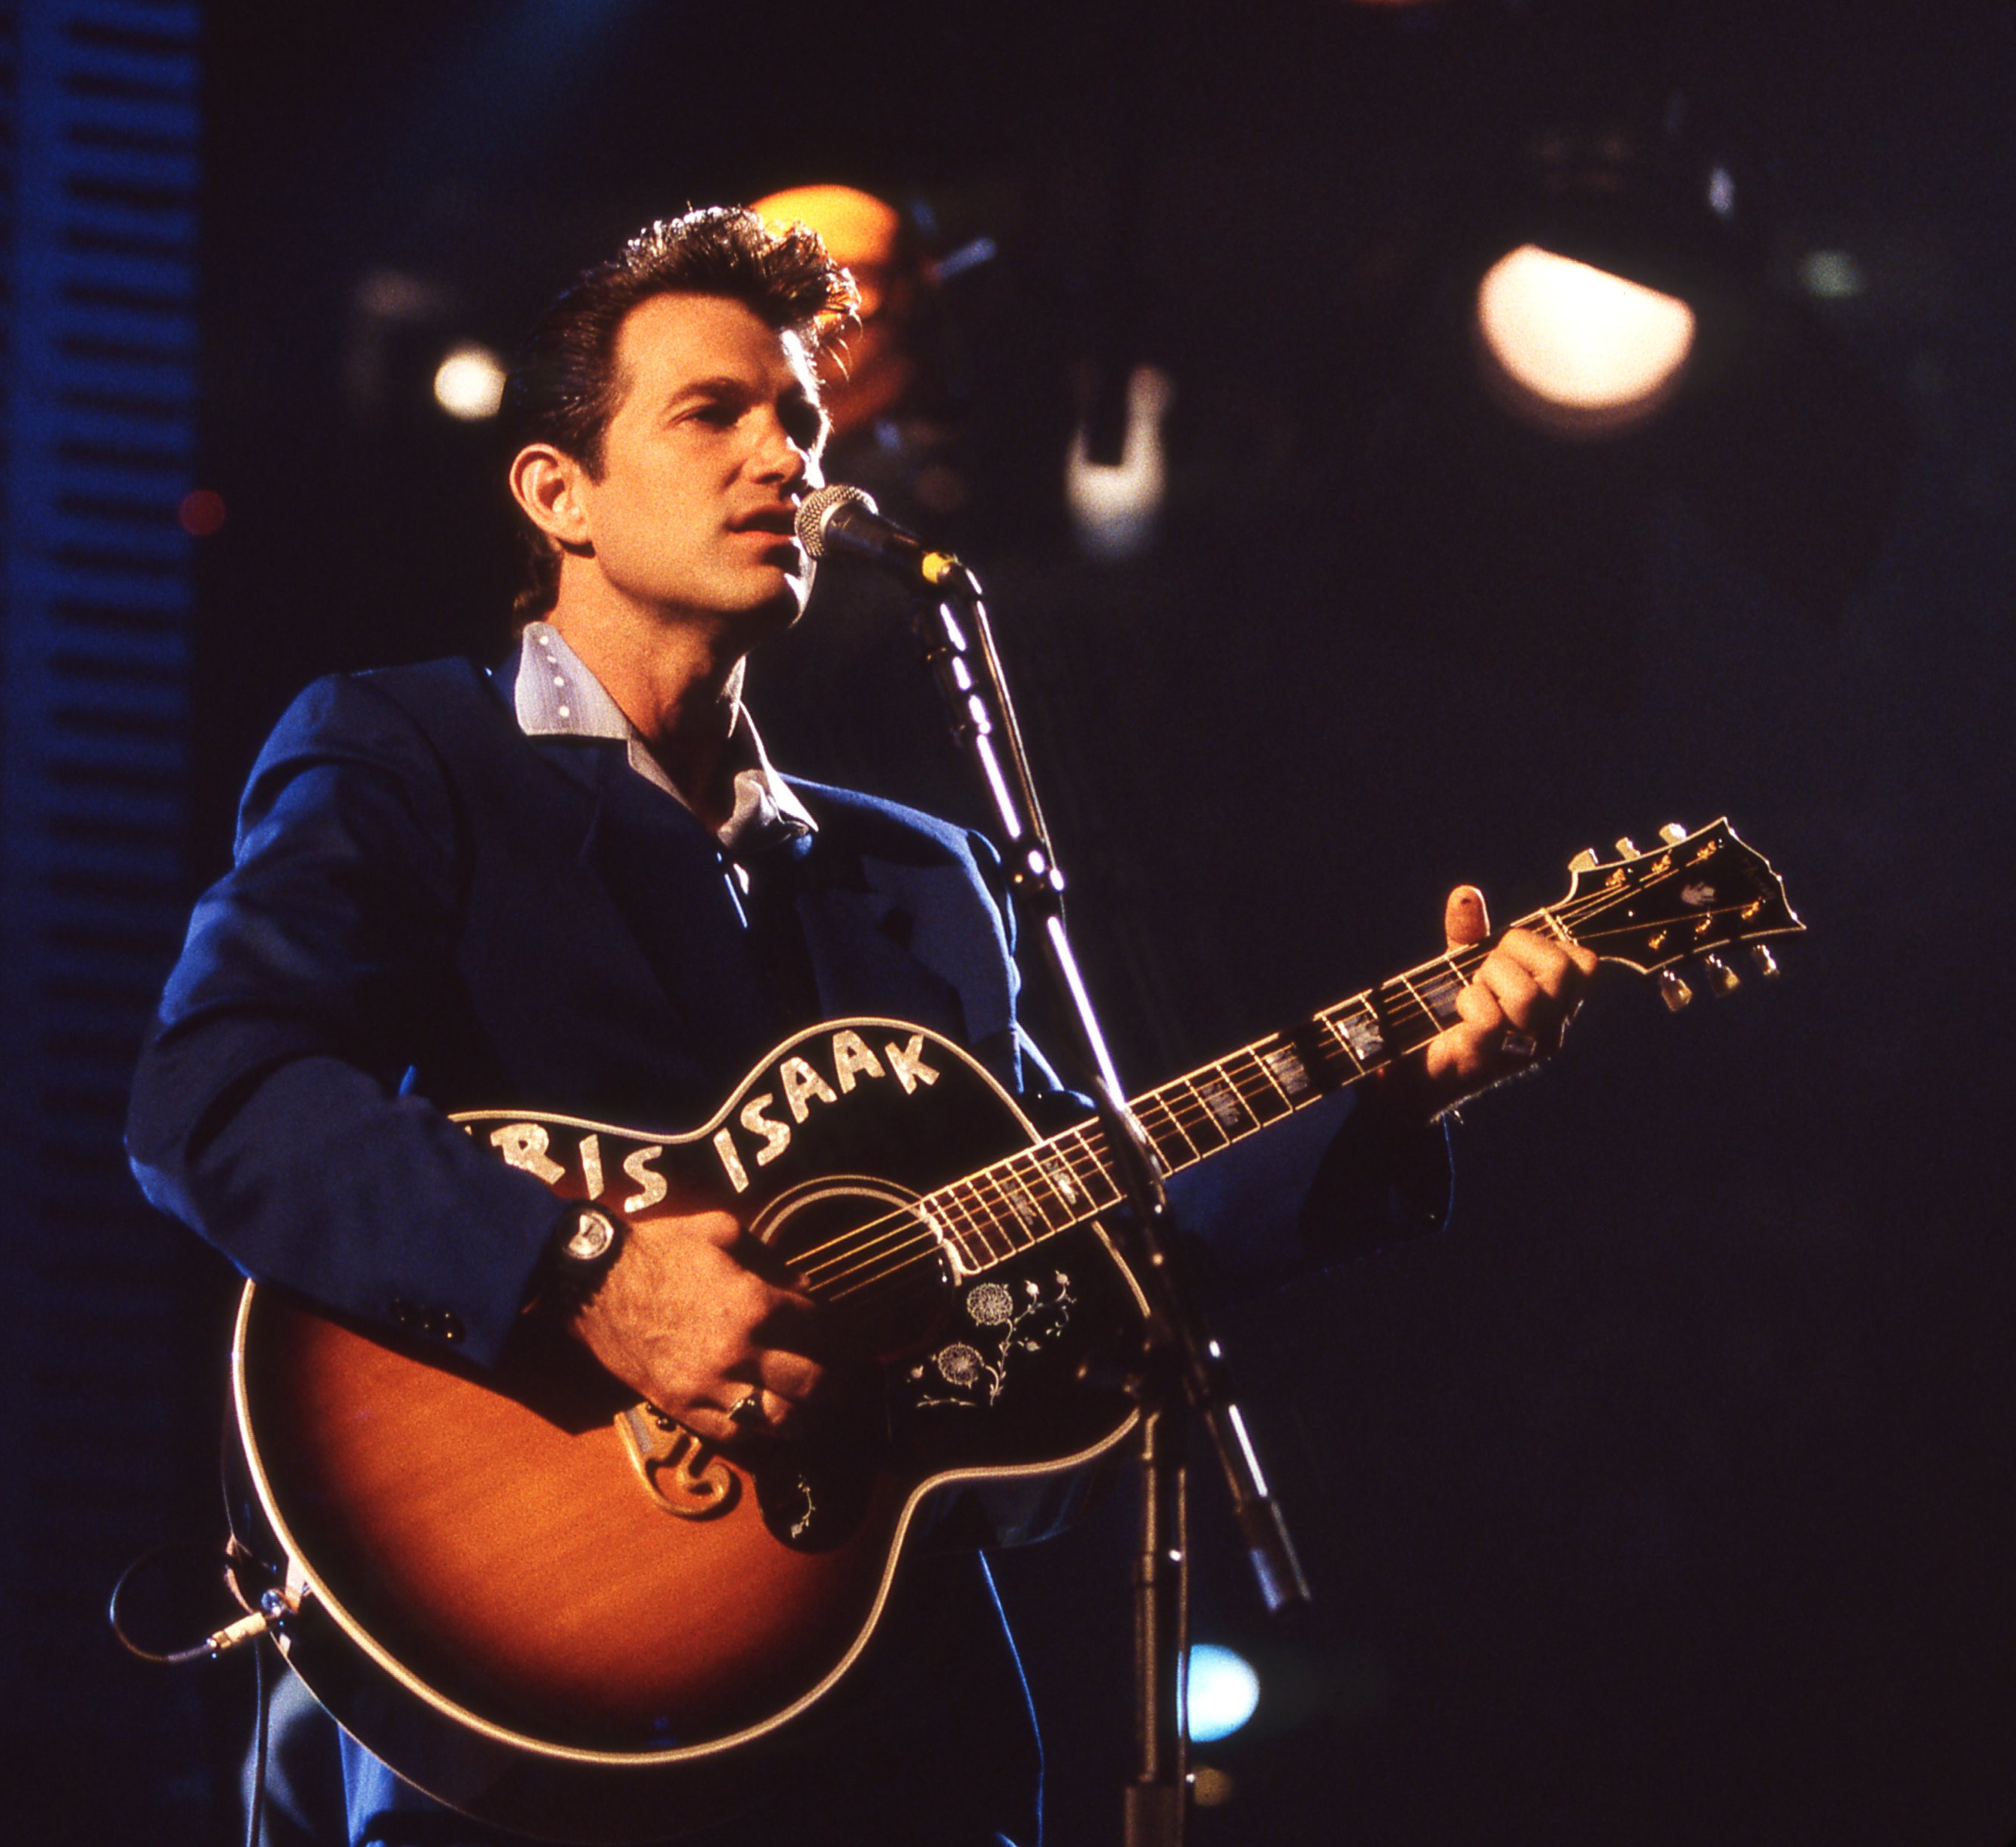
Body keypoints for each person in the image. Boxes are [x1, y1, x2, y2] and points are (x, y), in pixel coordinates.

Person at [126, 207, 1594, 1847]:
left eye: (804, 424)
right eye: (713, 415)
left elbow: (1089, 1224)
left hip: (869, 1700)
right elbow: (216, 1091)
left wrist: (1400, 1092)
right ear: (560, 495)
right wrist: (592, 1278)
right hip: (523, 1652)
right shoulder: (409, 754)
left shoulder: (918, 874)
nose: (783, 457)